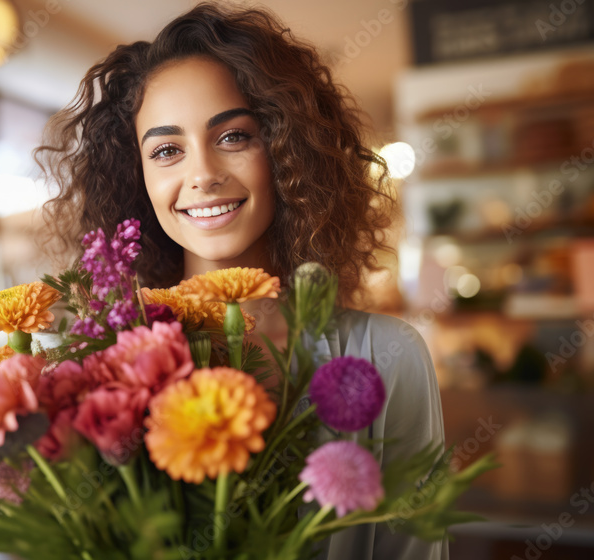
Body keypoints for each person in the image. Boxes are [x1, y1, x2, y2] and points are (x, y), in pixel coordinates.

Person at [35, 3, 447, 559]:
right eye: (166, 150)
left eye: (233, 137)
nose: (202, 174)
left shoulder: (389, 357)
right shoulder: (94, 371)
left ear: (284, 150)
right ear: (138, 176)